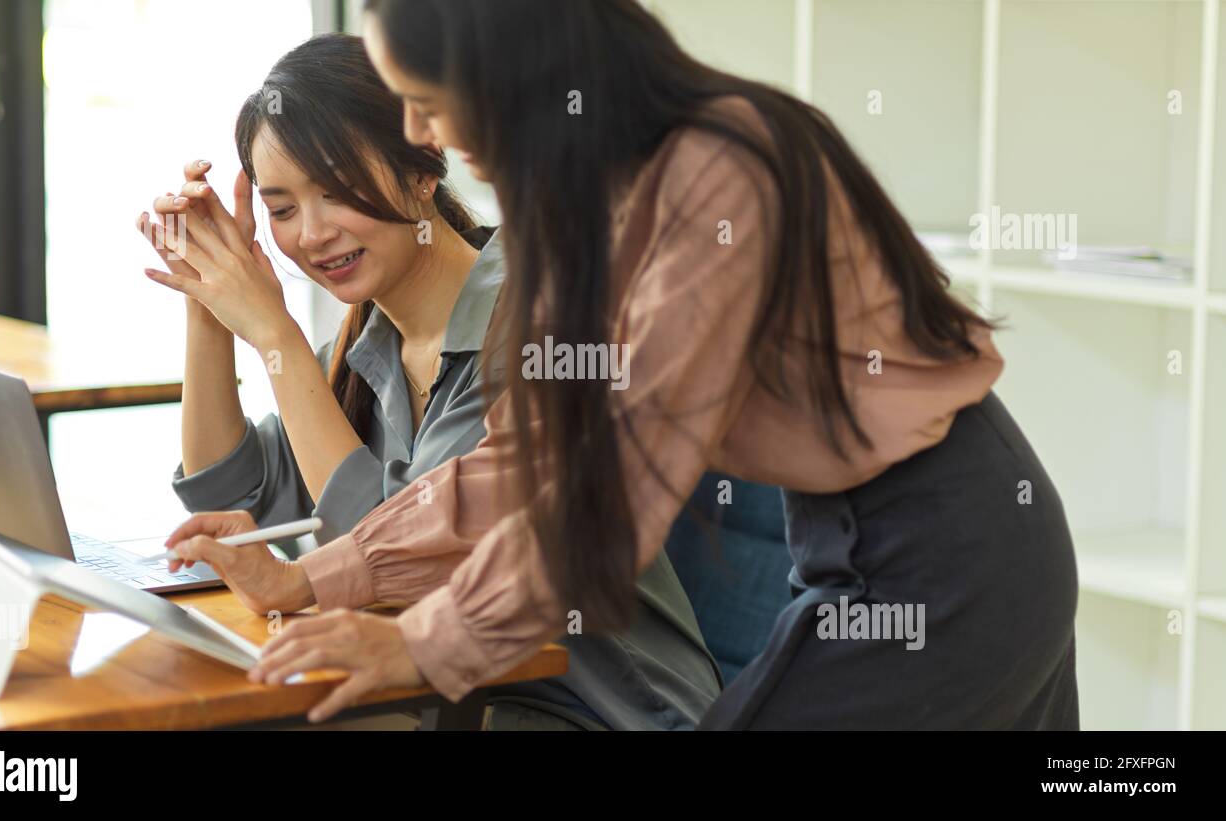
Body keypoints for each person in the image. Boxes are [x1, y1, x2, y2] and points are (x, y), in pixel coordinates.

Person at [166, 0, 1079, 729]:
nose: (420, 129)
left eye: (426, 95)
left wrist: (420, 648)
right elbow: (526, 469)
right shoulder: (585, 211)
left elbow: (611, 487)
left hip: (945, 546)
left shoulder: (717, 172)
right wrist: (318, 579)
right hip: (853, 540)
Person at [138, 33, 721, 730]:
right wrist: (208, 300)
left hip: (601, 712)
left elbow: (392, 554)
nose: (314, 233)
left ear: (423, 167)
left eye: (337, 188)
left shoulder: (536, 317)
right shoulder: (366, 347)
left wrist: (275, 337)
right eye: (284, 209)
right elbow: (224, 494)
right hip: (453, 704)